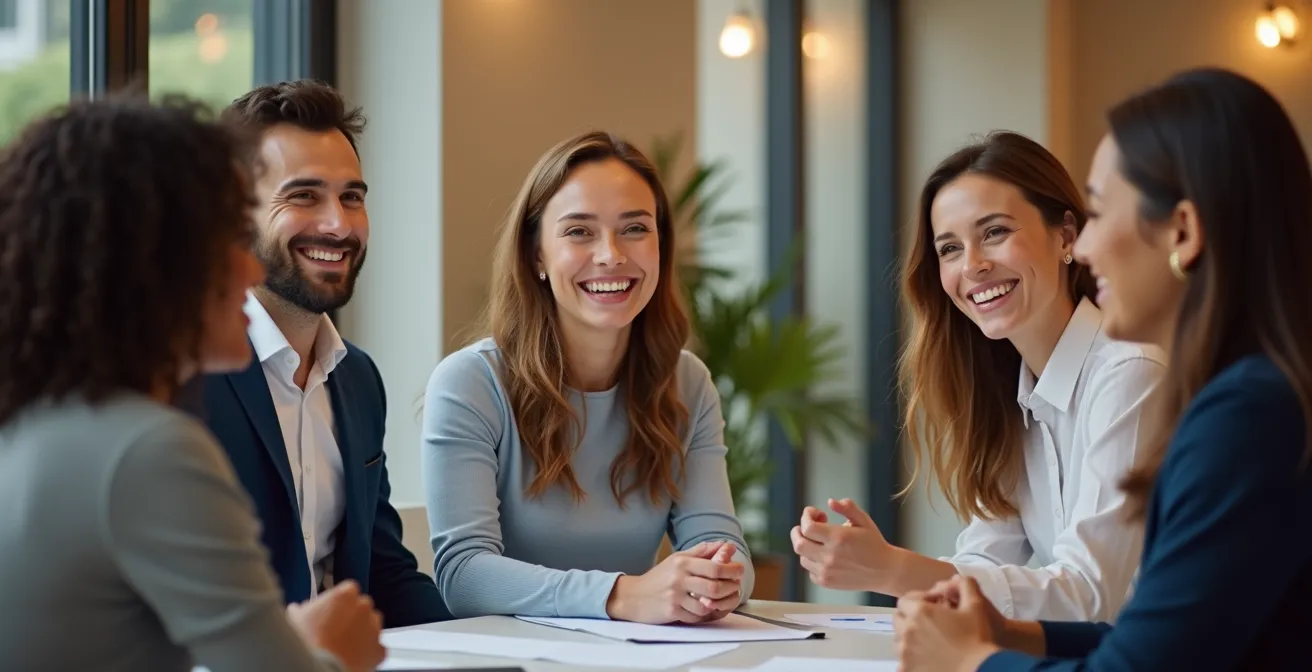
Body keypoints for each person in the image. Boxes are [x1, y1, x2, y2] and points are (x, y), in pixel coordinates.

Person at [893, 68, 1312, 671]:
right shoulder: (1253, 395)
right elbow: (1167, 640)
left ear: (1184, 231)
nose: (1085, 248)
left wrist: (972, 662)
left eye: (1097, 212)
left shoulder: (1248, 415)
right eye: (950, 248)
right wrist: (1014, 636)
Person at [0, 95, 385, 672]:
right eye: (223, 240)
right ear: (148, 264)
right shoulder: (149, 448)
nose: (249, 268)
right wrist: (328, 652)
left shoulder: (42, 422)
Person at [792, 131, 1163, 621]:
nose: (973, 266)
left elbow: (1092, 595)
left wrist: (895, 571)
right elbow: (986, 559)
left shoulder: (1129, 373)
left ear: (1067, 236)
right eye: (949, 249)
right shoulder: (1013, 391)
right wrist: (877, 563)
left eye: (994, 232)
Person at [421, 130, 754, 622]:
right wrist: (621, 596)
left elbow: (721, 542)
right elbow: (464, 576)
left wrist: (722, 578)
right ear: (536, 254)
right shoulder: (470, 383)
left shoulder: (687, 382)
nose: (611, 255)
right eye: (579, 231)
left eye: (636, 228)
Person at [188, 80, 448, 627]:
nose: (338, 223)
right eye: (303, 196)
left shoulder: (358, 378)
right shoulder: (180, 373)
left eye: (352, 196)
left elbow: (384, 577)